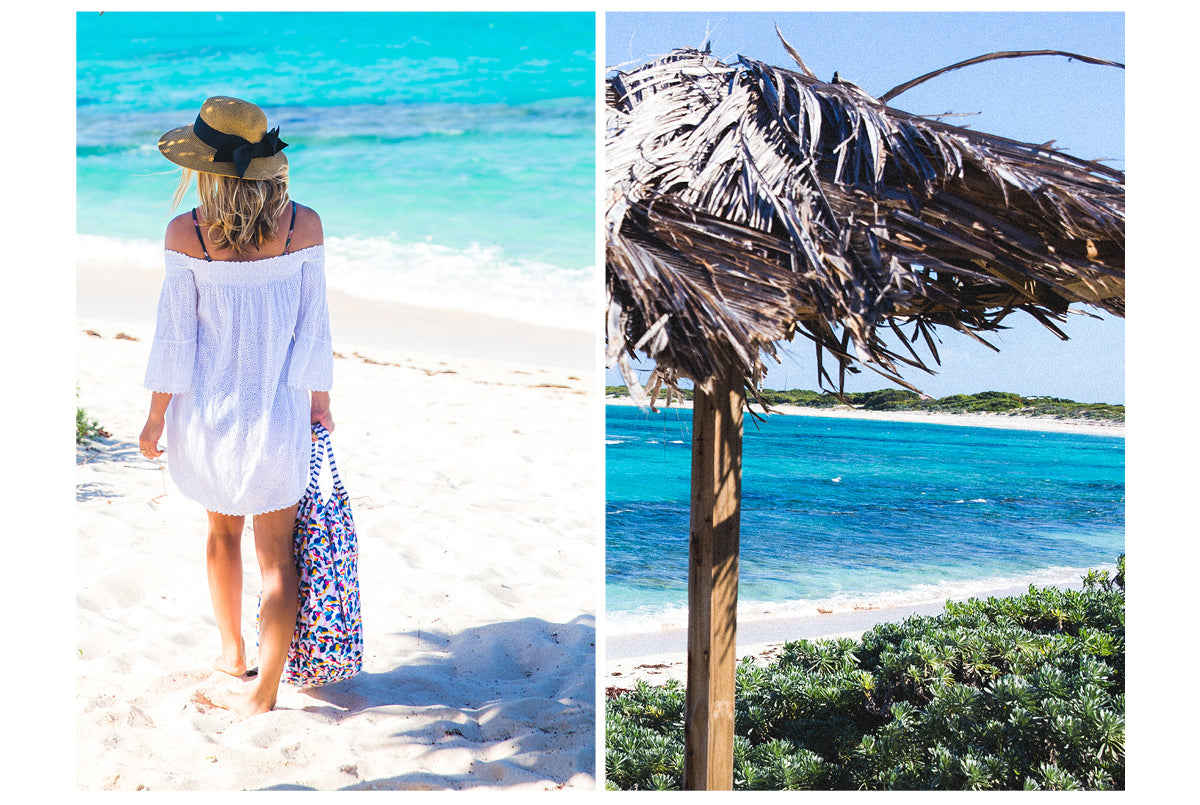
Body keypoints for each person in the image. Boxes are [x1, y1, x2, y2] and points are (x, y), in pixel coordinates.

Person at [139, 96, 334, 716]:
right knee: (278, 556)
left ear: (202, 169)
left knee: (221, 534)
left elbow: (176, 338)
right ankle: (265, 691)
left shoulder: (186, 233)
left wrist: (155, 415)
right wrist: (320, 402)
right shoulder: (304, 225)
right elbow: (315, 327)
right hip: (279, 413)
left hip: (210, 415)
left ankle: (231, 653)